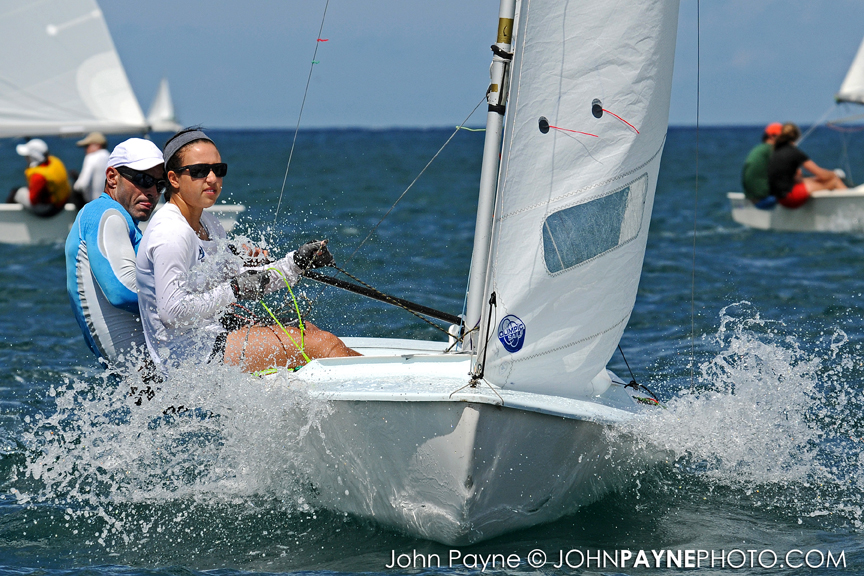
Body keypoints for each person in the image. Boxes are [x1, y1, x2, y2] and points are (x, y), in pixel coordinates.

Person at [136, 127, 359, 372]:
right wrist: (234, 289)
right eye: (200, 171)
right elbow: (172, 312)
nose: (212, 178)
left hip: (214, 337)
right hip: (188, 359)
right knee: (323, 345)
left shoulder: (209, 223)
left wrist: (295, 264)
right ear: (174, 178)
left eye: (218, 170)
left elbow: (244, 279)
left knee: (308, 330)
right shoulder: (171, 232)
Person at [65, 138, 166, 362]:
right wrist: (191, 302)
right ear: (112, 177)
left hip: (141, 372)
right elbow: (122, 290)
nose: (152, 191)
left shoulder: (117, 218)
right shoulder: (106, 212)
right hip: (146, 369)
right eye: (143, 180)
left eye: (160, 185)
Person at [768, 122, 847, 209]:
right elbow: (821, 174)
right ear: (796, 136)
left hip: (780, 198)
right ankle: (850, 207)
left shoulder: (775, 152)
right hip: (791, 197)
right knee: (835, 181)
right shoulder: (794, 152)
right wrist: (834, 174)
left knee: (813, 179)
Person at [6, 138, 71, 217]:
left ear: (33, 157)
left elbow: (33, 200)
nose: (25, 158)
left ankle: (7, 216)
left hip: (49, 209)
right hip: (62, 201)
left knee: (15, 193)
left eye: (27, 156)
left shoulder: (38, 176)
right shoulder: (55, 161)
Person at [741, 122, 782, 209]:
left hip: (750, 198)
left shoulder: (759, 148)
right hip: (764, 200)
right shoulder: (771, 149)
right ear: (772, 136)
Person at [71, 132, 110, 209]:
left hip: (94, 204)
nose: (85, 149)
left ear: (97, 145)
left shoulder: (91, 157)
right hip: (108, 203)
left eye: (87, 146)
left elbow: (82, 185)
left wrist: (75, 185)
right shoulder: (110, 157)